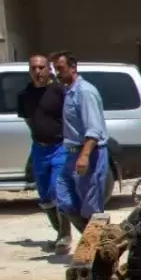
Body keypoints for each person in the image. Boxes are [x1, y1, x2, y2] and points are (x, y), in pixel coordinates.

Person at [17, 54, 71, 253]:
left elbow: (70, 118)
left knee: (59, 190)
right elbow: (28, 120)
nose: (37, 71)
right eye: (34, 68)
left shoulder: (59, 91)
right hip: (39, 148)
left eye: (41, 67)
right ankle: (59, 233)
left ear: (49, 69)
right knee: (45, 195)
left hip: (59, 147)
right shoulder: (25, 95)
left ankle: (66, 236)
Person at [51, 52, 109, 233]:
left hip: (90, 153)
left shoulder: (85, 92)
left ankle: (96, 249)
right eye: (55, 70)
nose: (57, 73)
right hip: (71, 153)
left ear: (73, 67)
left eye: (60, 69)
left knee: (90, 207)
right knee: (63, 197)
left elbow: (94, 129)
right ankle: (90, 239)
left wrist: (84, 156)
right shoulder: (70, 91)